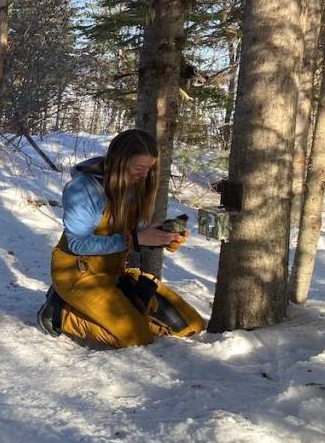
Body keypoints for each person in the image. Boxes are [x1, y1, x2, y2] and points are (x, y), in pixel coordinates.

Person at [37, 129, 205, 347]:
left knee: (192, 326)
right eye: (139, 167)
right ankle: (60, 313)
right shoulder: (83, 189)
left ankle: (130, 314)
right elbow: (78, 243)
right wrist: (135, 240)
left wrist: (162, 235)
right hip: (77, 274)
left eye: (149, 168)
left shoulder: (132, 186)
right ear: (120, 161)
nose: (145, 174)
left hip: (115, 273)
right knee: (137, 339)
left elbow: (136, 231)